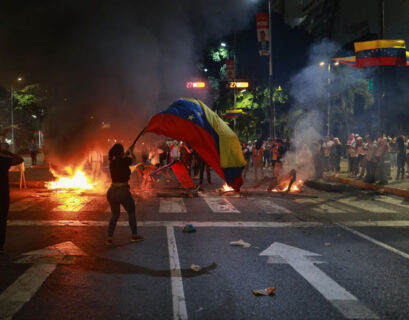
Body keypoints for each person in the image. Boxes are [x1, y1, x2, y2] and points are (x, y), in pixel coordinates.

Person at [106, 144, 143, 245]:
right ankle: (134, 235)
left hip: (112, 190)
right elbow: (134, 160)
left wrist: (126, 154)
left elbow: (122, 161)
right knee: (131, 212)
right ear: (122, 152)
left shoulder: (112, 162)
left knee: (115, 215)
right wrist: (131, 152)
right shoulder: (125, 160)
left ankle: (109, 238)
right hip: (122, 190)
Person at [0, 148, 24, 251]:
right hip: (2, 195)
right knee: (1, 220)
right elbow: (19, 159)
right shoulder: (3, 160)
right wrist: (5, 151)